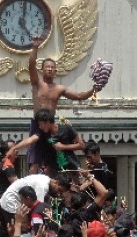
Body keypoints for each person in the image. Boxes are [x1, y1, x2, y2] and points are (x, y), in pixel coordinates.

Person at [27, 36, 99, 175]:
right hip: (39, 123)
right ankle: (31, 187)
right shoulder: (37, 83)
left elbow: (78, 96)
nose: (49, 69)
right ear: (42, 70)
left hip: (52, 125)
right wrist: (35, 46)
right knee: (35, 159)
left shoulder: (59, 88)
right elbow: (30, 65)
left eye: (52, 67)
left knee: (55, 157)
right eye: (47, 67)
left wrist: (94, 89)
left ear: (55, 71)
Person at [6, 108, 85, 178]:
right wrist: (14, 148)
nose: (40, 127)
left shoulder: (67, 129)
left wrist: (63, 146)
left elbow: (81, 145)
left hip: (71, 168)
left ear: (47, 122)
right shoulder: (42, 132)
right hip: (55, 171)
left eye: (41, 124)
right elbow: (30, 140)